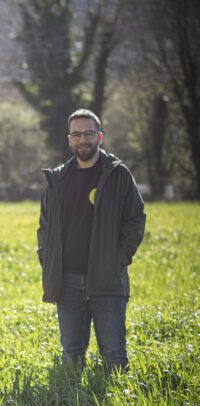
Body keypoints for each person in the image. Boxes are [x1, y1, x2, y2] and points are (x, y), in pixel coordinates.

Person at [37, 109, 145, 374]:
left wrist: (118, 261)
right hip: (67, 281)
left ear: (99, 136)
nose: (82, 140)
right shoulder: (58, 178)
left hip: (107, 279)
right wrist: (48, 261)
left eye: (87, 134)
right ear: (69, 139)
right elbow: (45, 227)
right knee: (71, 355)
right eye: (76, 134)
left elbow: (135, 220)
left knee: (114, 354)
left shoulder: (118, 175)